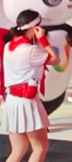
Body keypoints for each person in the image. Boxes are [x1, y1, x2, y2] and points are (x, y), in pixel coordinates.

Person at [3, 10, 60, 162]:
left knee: (18, 149)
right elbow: (56, 59)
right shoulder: (31, 50)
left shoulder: (8, 46)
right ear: (34, 27)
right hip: (27, 102)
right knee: (40, 147)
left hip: (12, 101)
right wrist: (43, 41)